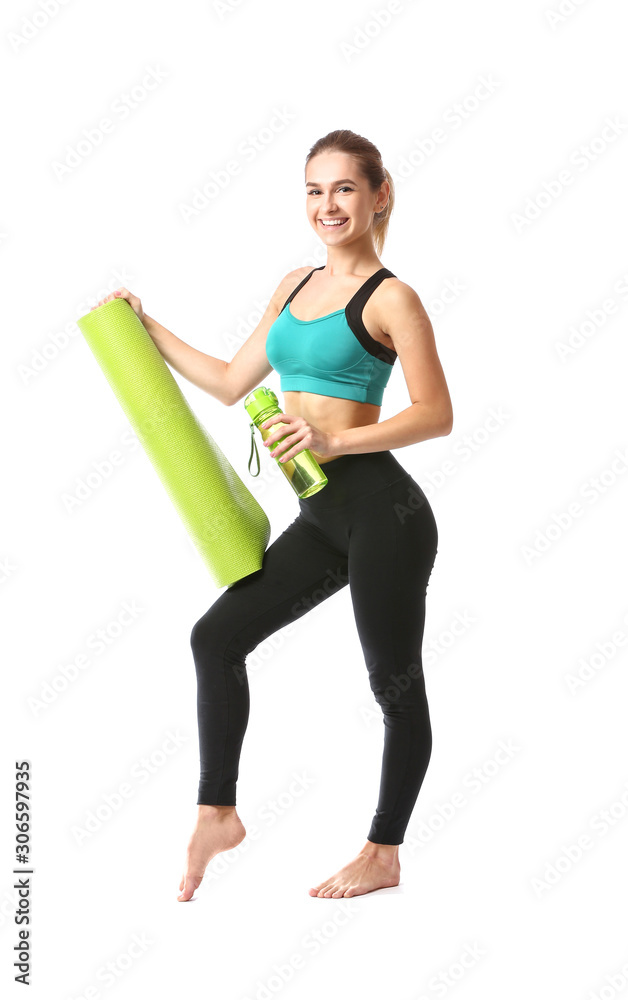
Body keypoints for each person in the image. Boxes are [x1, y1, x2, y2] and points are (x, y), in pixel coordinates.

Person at [92, 128, 453, 901]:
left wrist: (334, 437)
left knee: (393, 686)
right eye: (315, 190)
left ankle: (383, 853)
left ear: (378, 195)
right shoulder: (294, 284)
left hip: (383, 513)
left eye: (345, 189)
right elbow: (228, 381)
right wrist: (142, 325)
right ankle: (217, 810)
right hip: (322, 515)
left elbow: (436, 413)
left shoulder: (392, 298)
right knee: (215, 637)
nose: (328, 205)